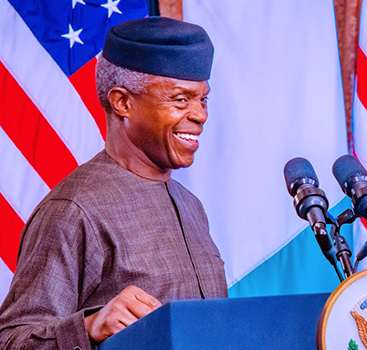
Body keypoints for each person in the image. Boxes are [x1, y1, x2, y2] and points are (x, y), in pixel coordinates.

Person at [0, 17, 228, 349]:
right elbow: (10, 340)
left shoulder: (192, 205)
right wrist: (88, 327)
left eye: (202, 99)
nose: (200, 115)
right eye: (181, 99)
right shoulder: (73, 210)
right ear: (123, 103)